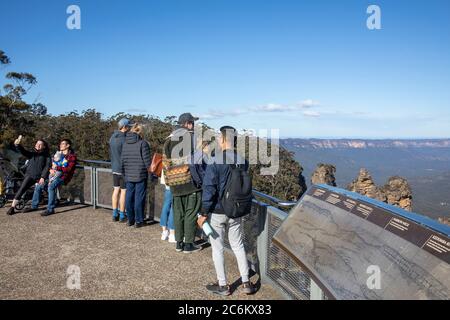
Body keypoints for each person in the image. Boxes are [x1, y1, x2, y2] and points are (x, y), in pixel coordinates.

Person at [198, 126, 255, 296]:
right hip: (236, 209)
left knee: (218, 247)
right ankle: (246, 282)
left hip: (218, 210)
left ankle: (223, 285)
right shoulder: (243, 161)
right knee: (237, 244)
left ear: (222, 139)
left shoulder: (215, 161)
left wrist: (203, 213)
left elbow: (209, 188)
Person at [163, 113, 202, 253]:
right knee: (190, 213)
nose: (193, 125)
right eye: (192, 122)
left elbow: (165, 164)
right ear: (188, 123)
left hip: (174, 183)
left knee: (178, 213)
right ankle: (189, 244)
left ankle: (179, 242)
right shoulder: (192, 138)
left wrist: (169, 181)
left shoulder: (168, 140)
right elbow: (198, 161)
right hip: (190, 182)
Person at [24, 139, 77, 216]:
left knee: (51, 187)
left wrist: (57, 168)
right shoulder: (57, 154)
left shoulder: (72, 156)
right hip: (52, 175)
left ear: (68, 145)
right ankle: (34, 206)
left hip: (63, 177)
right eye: (60, 144)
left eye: (63, 144)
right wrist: (51, 169)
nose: (60, 145)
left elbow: (68, 169)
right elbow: (49, 165)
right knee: (39, 185)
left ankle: (50, 209)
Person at [6, 136, 51, 216]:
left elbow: (47, 167)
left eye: (40, 144)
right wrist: (17, 145)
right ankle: (12, 207)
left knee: (47, 189)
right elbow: (23, 151)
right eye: (37, 144)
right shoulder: (32, 154)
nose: (38, 145)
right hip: (30, 176)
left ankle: (49, 204)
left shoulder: (47, 156)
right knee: (21, 189)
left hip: (40, 178)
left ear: (44, 146)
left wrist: (43, 177)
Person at [121, 124, 151, 228]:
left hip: (128, 174)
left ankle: (130, 219)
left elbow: (122, 161)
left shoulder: (125, 144)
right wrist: (151, 173)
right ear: (141, 132)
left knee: (129, 197)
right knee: (139, 198)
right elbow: (147, 162)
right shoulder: (143, 143)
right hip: (140, 174)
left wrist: (123, 173)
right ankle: (139, 220)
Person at [109, 118, 131, 222]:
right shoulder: (124, 139)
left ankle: (114, 213)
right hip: (123, 169)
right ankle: (122, 215)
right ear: (124, 127)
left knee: (116, 190)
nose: (129, 128)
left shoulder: (112, 137)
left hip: (114, 168)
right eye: (128, 126)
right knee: (123, 191)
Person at [159, 169, 176, 242]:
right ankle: (172, 234)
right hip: (175, 183)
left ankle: (164, 231)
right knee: (173, 207)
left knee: (166, 206)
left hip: (167, 181)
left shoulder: (165, 157)